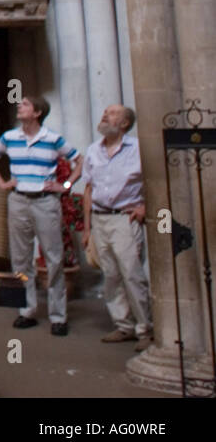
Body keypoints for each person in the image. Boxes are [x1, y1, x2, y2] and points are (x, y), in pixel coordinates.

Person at [0, 95, 81, 335]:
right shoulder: (10, 137)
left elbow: (79, 161)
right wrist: (3, 183)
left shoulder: (52, 139)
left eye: (25, 104)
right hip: (19, 200)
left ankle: (58, 316)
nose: (19, 106)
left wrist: (65, 186)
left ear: (37, 113)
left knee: (53, 257)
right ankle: (26, 310)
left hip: (45, 202)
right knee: (20, 258)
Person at [81, 105, 152, 351]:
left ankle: (145, 328)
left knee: (131, 274)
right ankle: (124, 326)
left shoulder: (137, 150)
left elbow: (155, 181)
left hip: (125, 219)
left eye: (111, 113)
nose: (104, 115)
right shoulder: (93, 150)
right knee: (110, 276)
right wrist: (87, 228)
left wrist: (145, 208)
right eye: (104, 112)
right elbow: (88, 190)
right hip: (100, 219)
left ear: (124, 124)